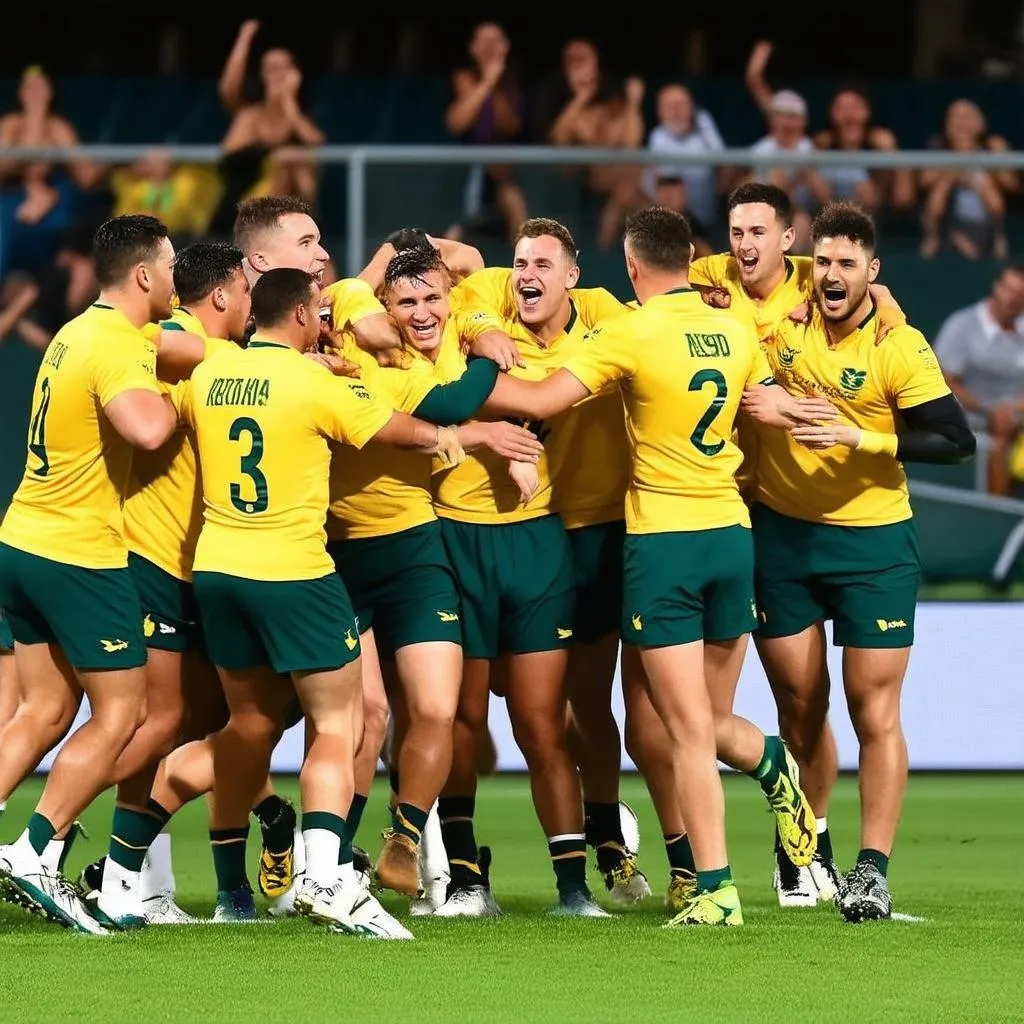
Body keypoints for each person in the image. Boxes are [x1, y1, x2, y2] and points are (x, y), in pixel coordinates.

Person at [482, 206, 824, 926]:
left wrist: (443, 393)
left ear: (633, 267)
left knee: (685, 731)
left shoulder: (628, 332)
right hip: (732, 533)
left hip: (663, 542)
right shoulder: (732, 328)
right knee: (702, 720)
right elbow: (763, 405)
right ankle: (766, 761)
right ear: (691, 259)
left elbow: (543, 399)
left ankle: (719, 889)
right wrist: (813, 420)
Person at [177, 267, 467, 934]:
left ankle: (144, 872)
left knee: (245, 728)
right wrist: (447, 437)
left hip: (216, 567)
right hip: (299, 567)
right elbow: (394, 428)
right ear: (307, 313)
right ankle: (325, 875)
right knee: (342, 725)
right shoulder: (317, 382)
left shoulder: (210, 373)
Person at [742, 200, 976, 922]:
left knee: (873, 708)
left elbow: (955, 439)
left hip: (873, 544)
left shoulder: (899, 345)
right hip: (782, 538)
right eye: (826, 261)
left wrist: (862, 440)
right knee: (799, 711)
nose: (833, 274)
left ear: (872, 273)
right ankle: (807, 842)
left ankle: (871, 870)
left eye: (849, 263)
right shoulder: (781, 328)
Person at [690, 182, 902, 907]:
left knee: (826, 709)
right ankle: (790, 841)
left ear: (791, 242)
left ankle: (804, 848)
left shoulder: (822, 284)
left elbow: (879, 298)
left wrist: (890, 312)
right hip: (736, 512)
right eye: (735, 231)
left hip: (809, 516)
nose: (744, 243)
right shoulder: (709, 277)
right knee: (797, 705)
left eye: (759, 230)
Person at [325, 245, 543, 903]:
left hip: (418, 546)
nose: (421, 313)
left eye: (432, 300)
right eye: (406, 302)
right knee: (362, 715)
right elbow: (450, 406)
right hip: (334, 553)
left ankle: (405, 837)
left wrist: (480, 329)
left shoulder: (456, 329)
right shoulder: (354, 340)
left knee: (438, 710)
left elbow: (472, 267)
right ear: (383, 308)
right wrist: (483, 377)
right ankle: (327, 859)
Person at [0, 215, 187, 934]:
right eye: (170, 265)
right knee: (125, 714)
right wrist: (180, 400)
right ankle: (35, 849)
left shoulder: (76, 330)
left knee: (42, 711)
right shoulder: (117, 347)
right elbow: (145, 429)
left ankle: (27, 845)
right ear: (144, 276)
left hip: (21, 539)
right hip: (80, 554)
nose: (174, 277)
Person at [931, 263, 1024, 496]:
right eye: (1008, 290)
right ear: (996, 287)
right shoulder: (962, 325)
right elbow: (945, 381)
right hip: (973, 417)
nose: (1012, 299)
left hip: (1017, 414)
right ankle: (998, 514)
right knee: (1000, 436)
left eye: (1020, 295)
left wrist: (1014, 409)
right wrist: (991, 410)